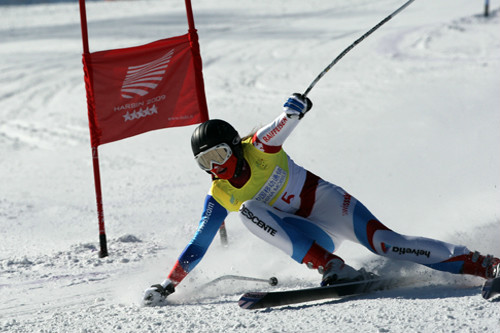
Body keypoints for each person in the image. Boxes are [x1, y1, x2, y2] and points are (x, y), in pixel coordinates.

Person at [143, 93, 500, 305]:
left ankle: (487, 265)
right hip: (310, 235)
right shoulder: (219, 193)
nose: (214, 168)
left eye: (218, 155)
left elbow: (281, 123)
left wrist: (293, 109)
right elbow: (199, 242)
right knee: (248, 211)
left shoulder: (259, 148)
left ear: (235, 146)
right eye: (204, 163)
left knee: (387, 244)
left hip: (331, 207)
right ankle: (332, 266)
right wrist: (168, 284)